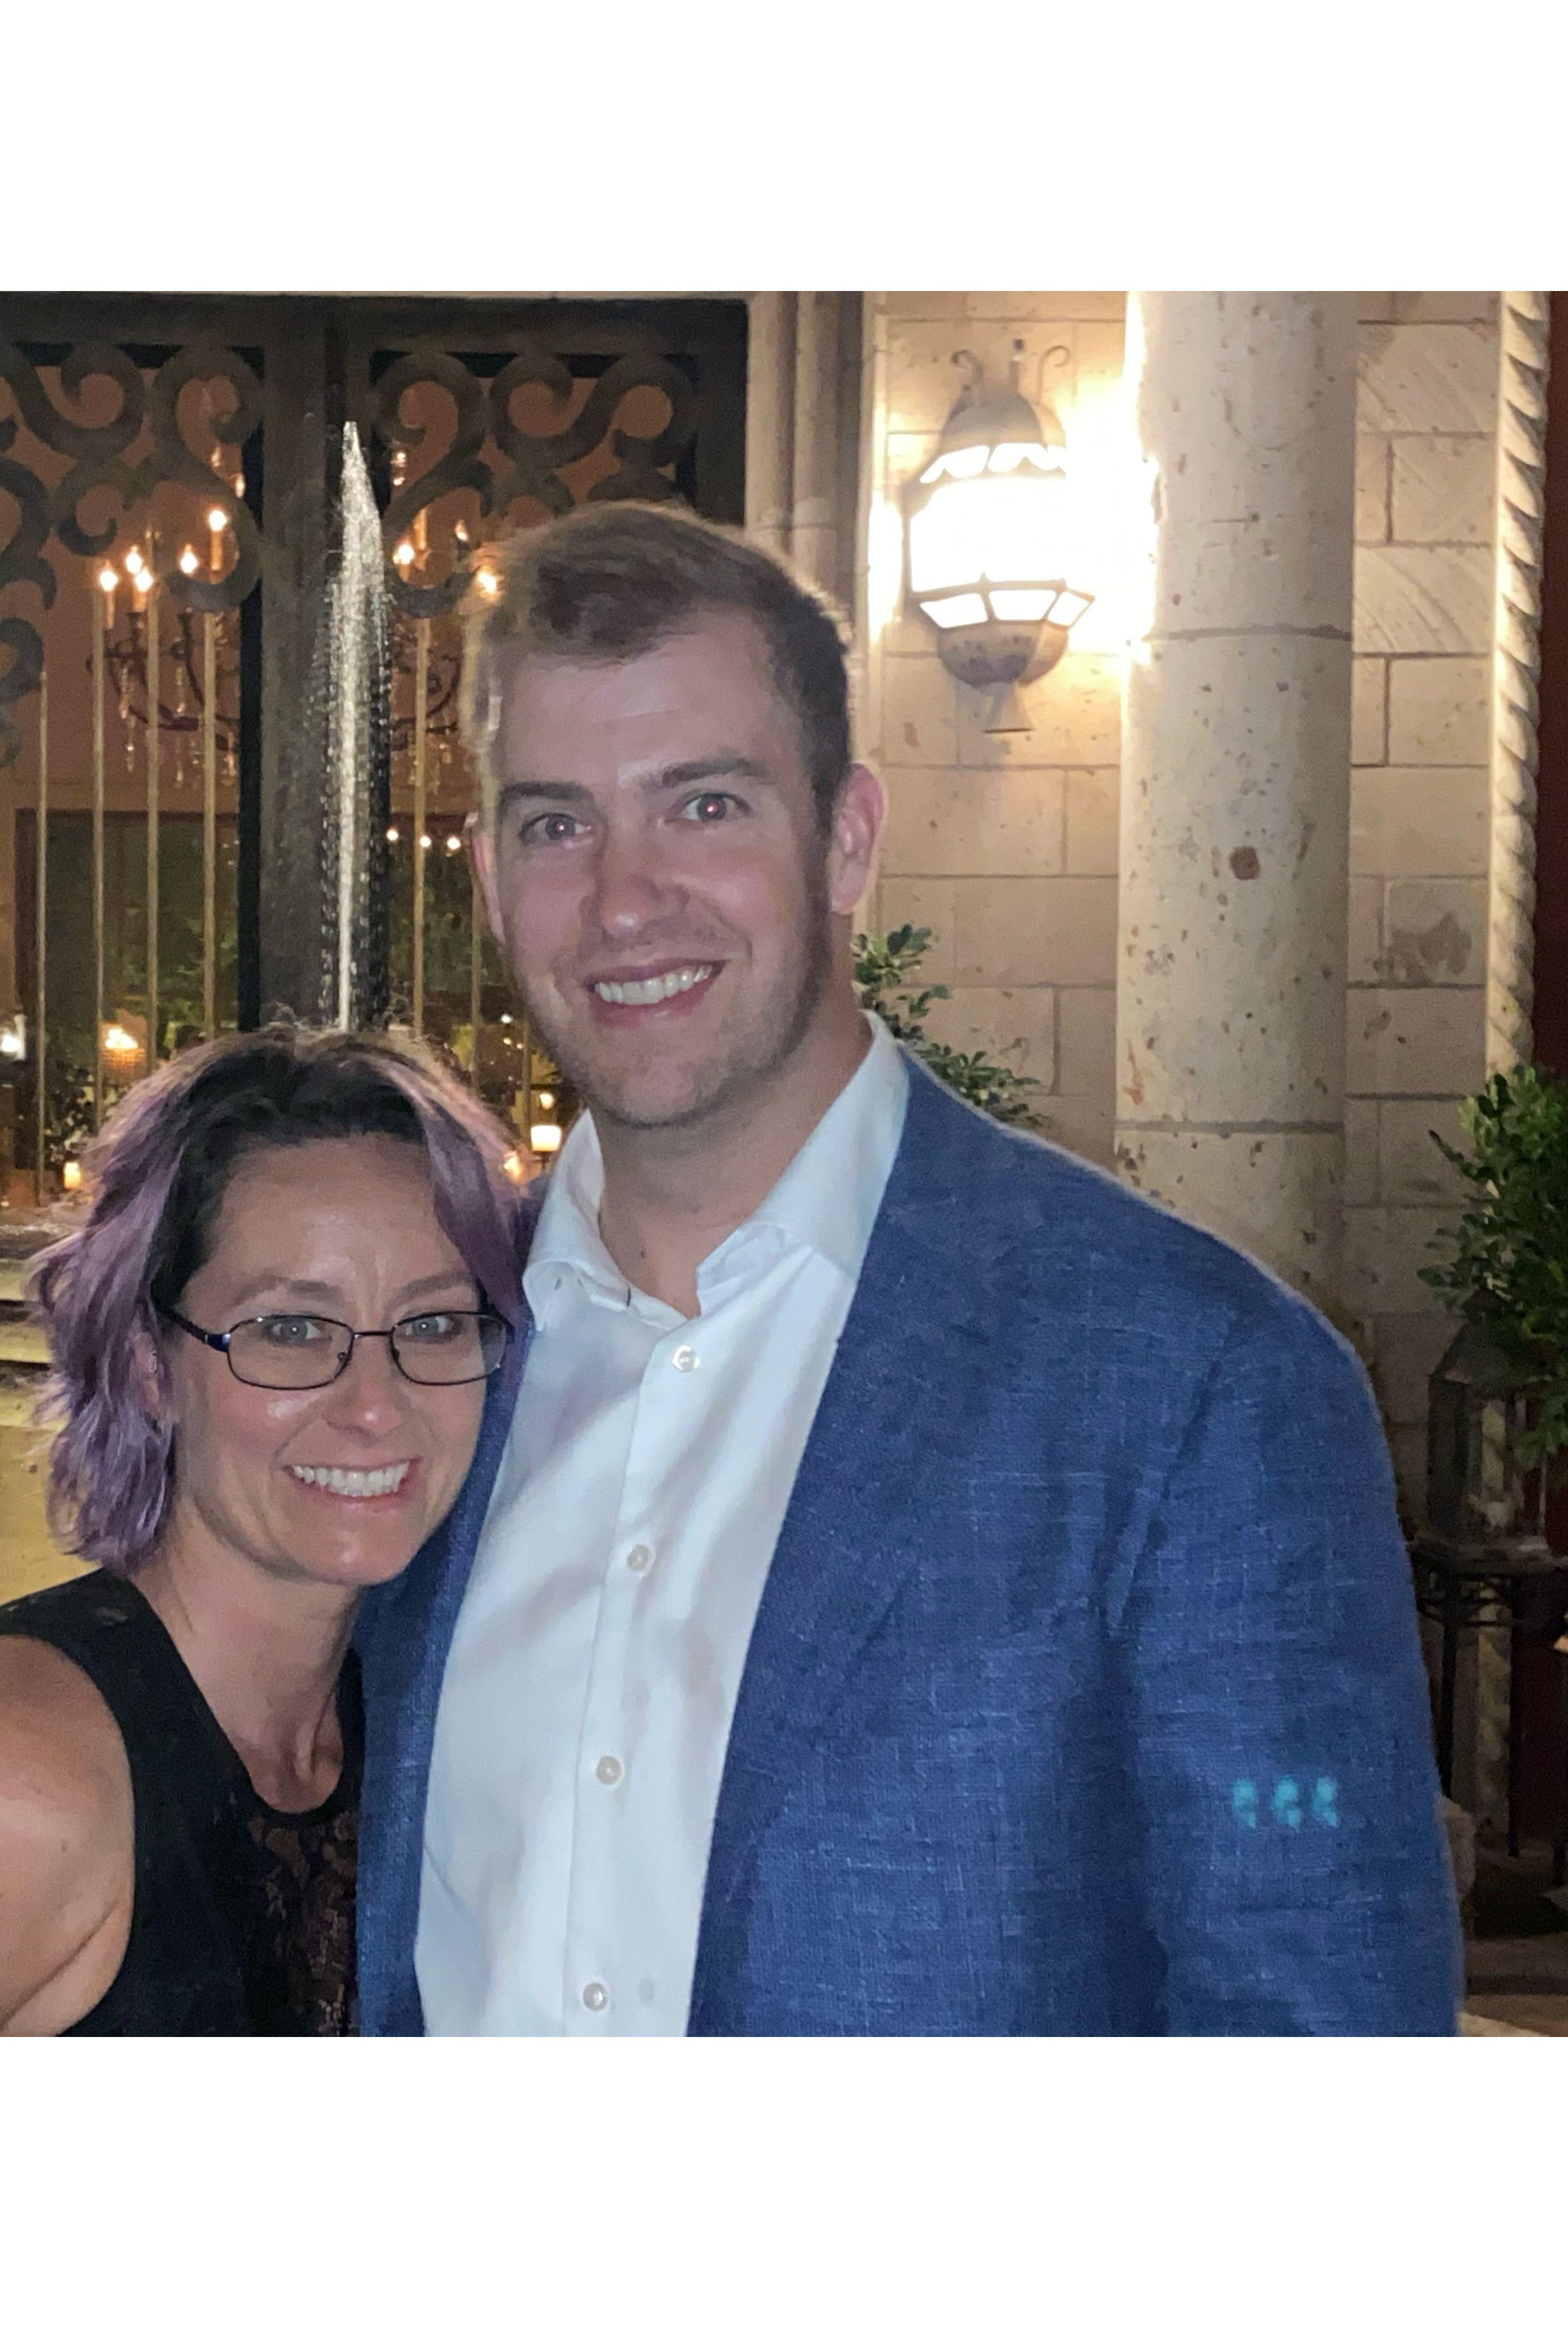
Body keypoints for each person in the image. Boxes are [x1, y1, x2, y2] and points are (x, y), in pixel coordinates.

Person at [353, 499, 1462, 2036]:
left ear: (847, 839)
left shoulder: (1197, 1386)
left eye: (705, 805)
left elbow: (1317, 2038)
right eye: (557, 824)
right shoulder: (423, 1349)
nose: (623, 898)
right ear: (486, 874)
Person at [0, 1025, 524, 2035]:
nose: (375, 1404)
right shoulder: (3, 1763)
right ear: (148, 1365)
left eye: (433, 1324)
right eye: (290, 1330)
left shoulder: (404, 1736)